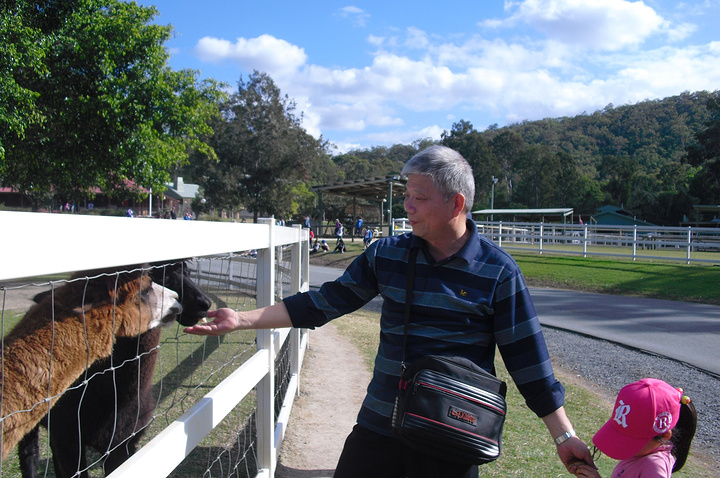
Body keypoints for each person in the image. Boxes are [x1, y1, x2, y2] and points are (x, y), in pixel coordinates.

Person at [184, 145, 593, 477]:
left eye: (420, 198)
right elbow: (324, 303)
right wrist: (242, 320)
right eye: (407, 196)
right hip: (380, 427)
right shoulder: (387, 255)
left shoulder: (499, 272)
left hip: (452, 437)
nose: (409, 207)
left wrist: (563, 437)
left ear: (456, 204)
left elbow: (529, 363)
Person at [571, 378, 697, 478]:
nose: (622, 446)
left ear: (664, 436)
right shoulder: (642, 455)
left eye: (632, 442)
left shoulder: (654, 466)